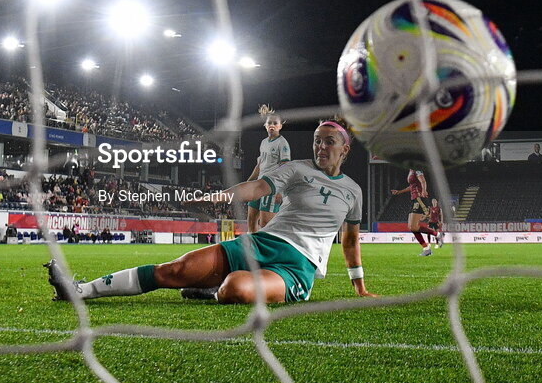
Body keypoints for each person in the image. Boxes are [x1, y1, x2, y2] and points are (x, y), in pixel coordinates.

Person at [45, 120, 375, 304]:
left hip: (297, 265)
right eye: (318, 140)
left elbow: (349, 243)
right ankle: (80, 290)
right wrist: (219, 196)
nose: (321, 147)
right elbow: (257, 188)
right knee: (174, 270)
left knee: (236, 289)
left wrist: (358, 286)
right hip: (261, 243)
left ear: (344, 148)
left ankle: (212, 288)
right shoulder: (296, 169)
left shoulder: (353, 192)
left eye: (329, 142)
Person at [244, 105, 291, 233]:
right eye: (269, 122)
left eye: (275, 123)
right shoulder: (264, 142)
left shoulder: (282, 143)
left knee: (266, 224)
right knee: (251, 220)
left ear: (280, 126)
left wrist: (280, 191)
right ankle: (253, 250)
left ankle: (272, 249)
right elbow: (259, 166)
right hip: (258, 184)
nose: (272, 125)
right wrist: (247, 183)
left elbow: (286, 167)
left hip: (271, 187)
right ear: (265, 125)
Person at [391, 169, 439, 256]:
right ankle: (427, 247)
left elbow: (423, 180)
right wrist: (399, 192)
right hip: (414, 199)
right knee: (411, 227)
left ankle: (436, 235)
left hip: (419, 198)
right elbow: (412, 187)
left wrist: (424, 190)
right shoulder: (411, 170)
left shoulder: (416, 169)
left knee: (413, 226)